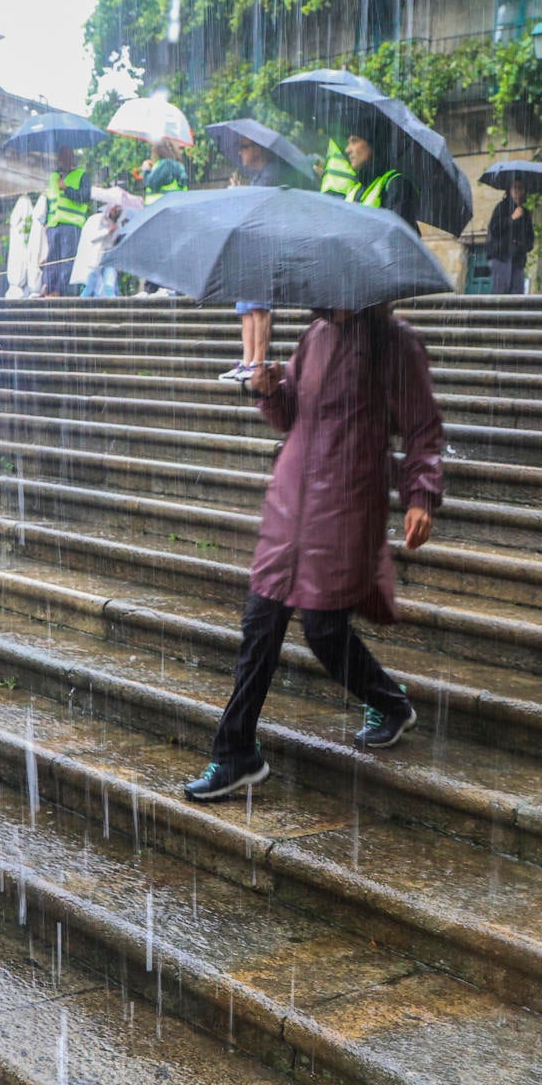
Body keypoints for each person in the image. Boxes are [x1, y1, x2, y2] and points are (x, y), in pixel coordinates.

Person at [184, 305, 445, 802]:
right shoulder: (317, 333)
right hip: (293, 498)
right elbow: (293, 415)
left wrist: (421, 496)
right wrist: (269, 391)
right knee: (260, 623)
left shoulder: (395, 342)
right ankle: (236, 750)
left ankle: (389, 703)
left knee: (325, 629)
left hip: (347, 500)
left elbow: (423, 429)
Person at [224, 137, 286, 381]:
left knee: (259, 308)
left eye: (244, 147)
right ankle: (247, 360)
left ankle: (258, 362)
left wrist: (238, 193)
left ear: (257, 149)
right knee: (246, 309)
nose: (240, 153)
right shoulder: (257, 178)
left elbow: (260, 206)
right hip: (250, 249)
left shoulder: (272, 173)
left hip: (263, 247)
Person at [43, 148, 92, 297]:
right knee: (52, 260)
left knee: (67, 260)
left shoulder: (81, 175)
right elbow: (49, 200)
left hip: (71, 225)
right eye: (61, 157)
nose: (63, 160)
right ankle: (50, 289)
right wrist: (45, 222)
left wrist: (67, 189)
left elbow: (85, 196)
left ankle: (63, 291)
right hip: (53, 225)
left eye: (66, 157)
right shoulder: (53, 177)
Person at [344, 132, 416, 230]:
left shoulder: (395, 184)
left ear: (373, 144)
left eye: (354, 141)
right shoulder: (355, 188)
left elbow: (397, 237)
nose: (347, 150)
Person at [485, 176, 535, 294]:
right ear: (509, 190)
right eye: (515, 188)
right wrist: (512, 219)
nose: (518, 192)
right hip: (501, 258)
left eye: (521, 188)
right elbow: (494, 229)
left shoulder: (526, 213)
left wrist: (521, 244)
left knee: (516, 297)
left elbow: (530, 241)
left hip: (518, 261)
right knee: (500, 296)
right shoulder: (501, 208)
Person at [141, 139, 189, 205]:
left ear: (158, 151)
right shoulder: (177, 165)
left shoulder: (165, 164)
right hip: (173, 205)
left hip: (159, 207)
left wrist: (146, 170)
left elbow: (152, 183)